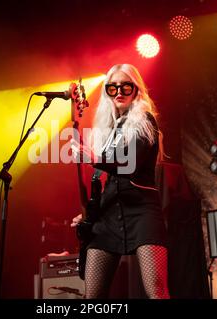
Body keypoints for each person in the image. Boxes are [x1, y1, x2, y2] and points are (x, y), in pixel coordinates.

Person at [70, 64, 170, 299]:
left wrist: (95, 158)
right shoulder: (108, 129)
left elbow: (129, 163)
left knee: (156, 291)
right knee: (92, 296)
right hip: (109, 215)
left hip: (141, 211)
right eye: (112, 88)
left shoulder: (145, 121)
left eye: (125, 86)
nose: (119, 92)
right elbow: (106, 180)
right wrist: (91, 214)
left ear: (136, 90)